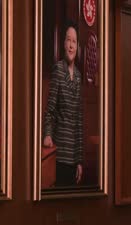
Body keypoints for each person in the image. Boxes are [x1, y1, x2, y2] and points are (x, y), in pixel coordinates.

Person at [43, 22, 83, 187]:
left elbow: (79, 121)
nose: (71, 45)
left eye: (74, 41)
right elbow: (50, 110)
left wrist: (80, 160)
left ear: (77, 46)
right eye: (68, 40)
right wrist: (47, 134)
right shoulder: (58, 69)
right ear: (64, 44)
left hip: (73, 155)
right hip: (59, 153)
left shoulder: (79, 77)